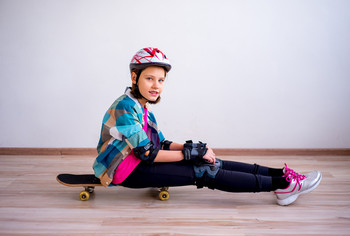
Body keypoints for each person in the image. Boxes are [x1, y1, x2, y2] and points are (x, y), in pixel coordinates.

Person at [92, 47, 322, 206]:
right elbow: (147, 153)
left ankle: (283, 176)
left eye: (161, 80)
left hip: (138, 163)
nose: (156, 86)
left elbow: (160, 142)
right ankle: (283, 186)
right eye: (149, 78)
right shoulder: (125, 107)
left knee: (210, 162)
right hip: (126, 171)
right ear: (135, 78)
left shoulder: (140, 107)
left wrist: (194, 149)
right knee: (204, 171)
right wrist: (191, 155)